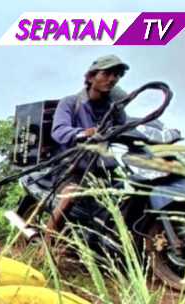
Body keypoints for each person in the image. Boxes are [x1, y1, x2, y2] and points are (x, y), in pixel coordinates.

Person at [45, 55, 129, 243]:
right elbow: (59, 131)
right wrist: (84, 132)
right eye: (106, 73)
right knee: (71, 193)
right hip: (72, 168)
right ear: (91, 77)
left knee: (128, 195)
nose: (112, 79)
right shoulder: (70, 102)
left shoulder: (114, 108)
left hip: (102, 170)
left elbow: (127, 127)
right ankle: (46, 246)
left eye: (117, 74)